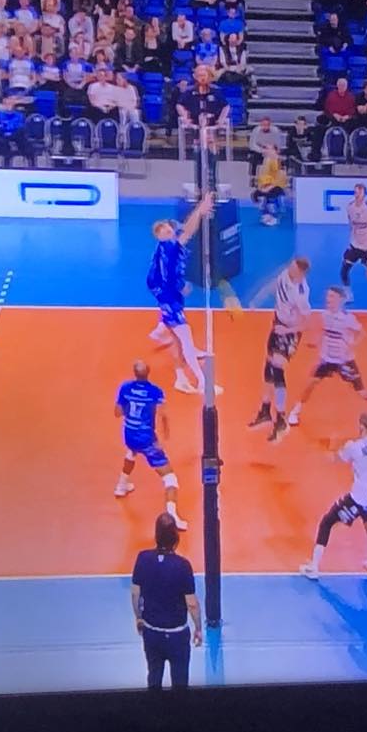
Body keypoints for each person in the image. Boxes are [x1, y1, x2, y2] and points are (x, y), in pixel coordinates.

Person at [288, 287, 367, 428]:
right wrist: (316, 343)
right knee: (311, 384)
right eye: (327, 296)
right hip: (327, 359)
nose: (328, 299)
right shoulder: (325, 315)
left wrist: (352, 345)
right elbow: (325, 332)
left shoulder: (348, 318)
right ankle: (295, 412)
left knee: (362, 393)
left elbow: (362, 333)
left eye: (332, 296)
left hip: (344, 361)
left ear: (340, 299)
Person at [300, 413, 367, 579]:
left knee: (327, 522)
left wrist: (331, 445)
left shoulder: (354, 447)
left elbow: (335, 458)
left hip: (360, 498)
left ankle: (314, 567)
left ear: (361, 426)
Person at [146, 194, 214, 395]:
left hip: (168, 296)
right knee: (185, 338)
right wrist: (200, 210)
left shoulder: (165, 249)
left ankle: (180, 378)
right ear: (159, 236)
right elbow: (189, 230)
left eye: (169, 229)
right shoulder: (169, 247)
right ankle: (201, 381)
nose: (169, 231)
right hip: (169, 298)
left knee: (176, 340)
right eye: (165, 231)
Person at [131, 513, 202, 689]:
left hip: (152, 633)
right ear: (176, 537)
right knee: (180, 684)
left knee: (153, 679)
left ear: (156, 535)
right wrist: (198, 628)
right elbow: (192, 604)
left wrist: (139, 618)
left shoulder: (143, 558)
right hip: (177, 636)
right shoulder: (183, 566)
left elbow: (135, 594)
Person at [114, 361, 188, 530]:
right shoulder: (155, 392)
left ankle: (121, 486)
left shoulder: (125, 388)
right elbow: (163, 415)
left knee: (132, 452)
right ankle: (172, 516)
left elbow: (117, 413)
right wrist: (164, 435)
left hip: (129, 434)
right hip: (146, 439)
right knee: (170, 478)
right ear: (148, 372)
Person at [248, 258, 312, 443]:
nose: (289, 269)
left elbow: (306, 324)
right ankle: (265, 411)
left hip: (290, 332)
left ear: (300, 274)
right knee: (268, 368)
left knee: (277, 368)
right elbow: (272, 286)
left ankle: (281, 419)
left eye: (293, 268)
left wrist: (287, 331)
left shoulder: (301, 294)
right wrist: (256, 301)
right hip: (278, 324)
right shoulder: (285, 275)